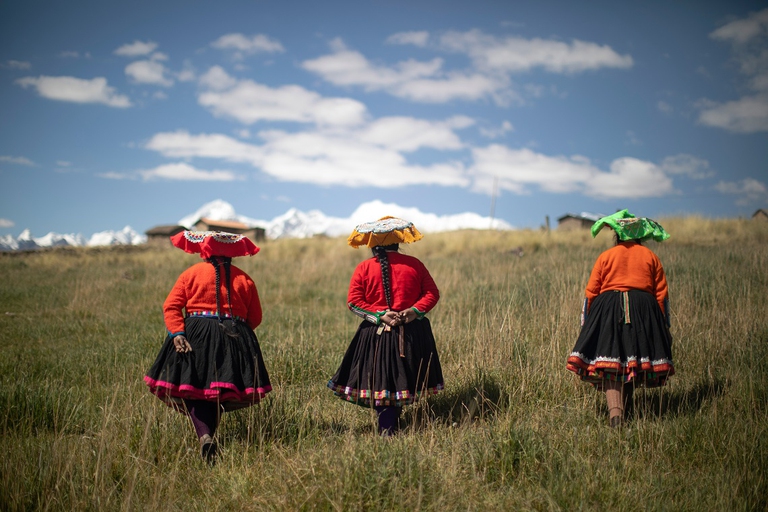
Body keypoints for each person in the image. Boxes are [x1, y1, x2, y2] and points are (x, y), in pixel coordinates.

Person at [144, 230, 272, 464]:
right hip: (234, 335)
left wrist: (178, 332)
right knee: (218, 392)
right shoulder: (245, 279)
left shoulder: (190, 274)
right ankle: (208, 437)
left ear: (205, 252)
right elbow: (255, 317)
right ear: (232, 254)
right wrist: (240, 335)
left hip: (195, 336)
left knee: (194, 388)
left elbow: (171, 306)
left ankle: (205, 436)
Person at [328, 216, 444, 436]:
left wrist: (380, 316)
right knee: (401, 379)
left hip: (377, 334)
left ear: (372, 245)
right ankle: (390, 426)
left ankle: (387, 429)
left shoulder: (364, 267)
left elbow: (354, 302)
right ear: (398, 242)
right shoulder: (415, 264)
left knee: (382, 381)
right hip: (412, 333)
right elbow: (432, 293)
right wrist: (413, 312)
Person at [566, 210, 674, 427]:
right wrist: (663, 325)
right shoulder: (651, 257)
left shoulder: (606, 256)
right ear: (639, 235)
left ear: (617, 235)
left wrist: (587, 323)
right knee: (634, 360)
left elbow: (591, 292)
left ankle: (616, 414)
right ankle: (626, 408)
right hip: (644, 309)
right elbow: (661, 294)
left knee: (611, 362)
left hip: (609, 308)